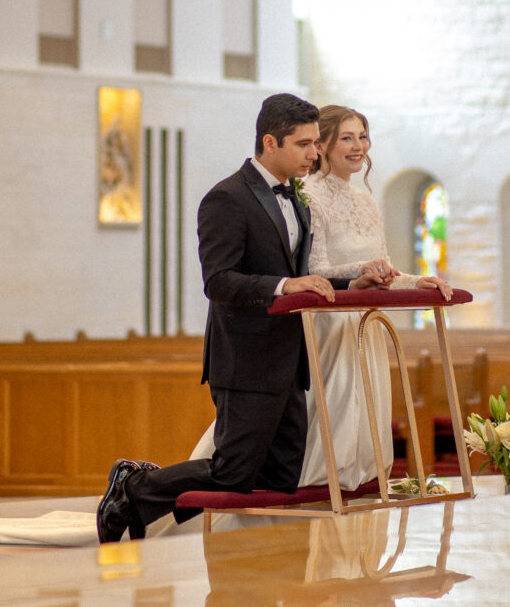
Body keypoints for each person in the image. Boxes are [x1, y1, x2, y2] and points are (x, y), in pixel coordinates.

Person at [96, 94, 383, 542]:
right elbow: (220, 281)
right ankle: (134, 486)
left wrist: (351, 288)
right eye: (304, 144)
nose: (314, 153)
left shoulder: (299, 201)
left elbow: (304, 277)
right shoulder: (226, 198)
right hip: (246, 356)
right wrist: (284, 286)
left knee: (282, 476)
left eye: (314, 143)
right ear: (271, 142)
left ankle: (153, 499)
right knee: (233, 473)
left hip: (291, 357)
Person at [188, 105, 452, 493]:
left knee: (321, 451)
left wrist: (415, 281)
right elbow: (307, 271)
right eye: (345, 137)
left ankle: (345, 519)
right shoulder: (298, 195)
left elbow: (381, 268)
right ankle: (143, 486)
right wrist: (355, 272)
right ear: (322, 146)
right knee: (258, 460)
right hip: (318, 327)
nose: (358, 146)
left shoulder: (363, 201)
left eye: (363, 136)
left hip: (362, 323)